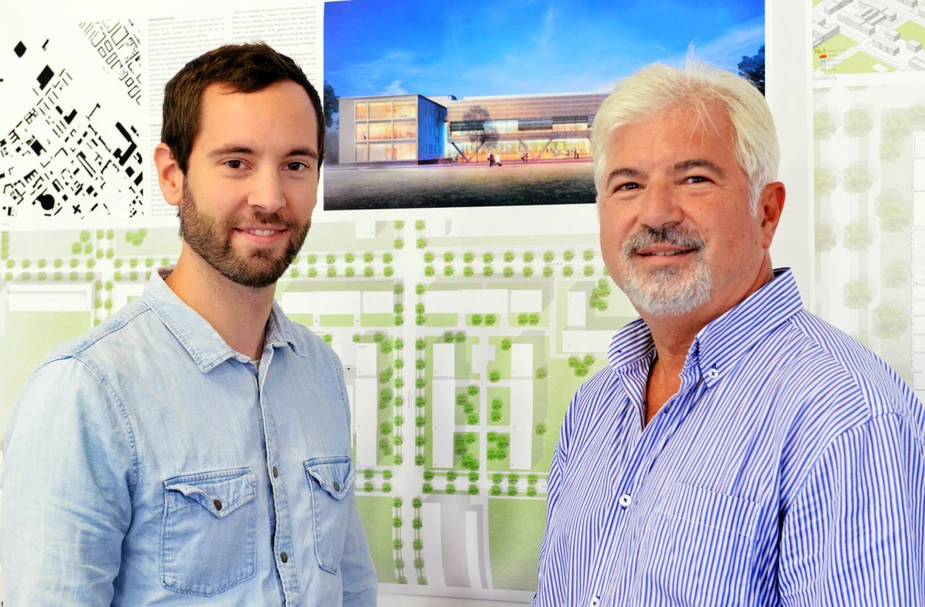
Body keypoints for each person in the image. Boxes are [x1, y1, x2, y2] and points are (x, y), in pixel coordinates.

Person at [533, 59, 924, 606]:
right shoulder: (596, 407)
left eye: (695, 178)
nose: (656, 213)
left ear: (766, 212)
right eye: (628, 184)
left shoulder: (848, 417)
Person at [1, 43, 378, 606]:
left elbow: (351, 587)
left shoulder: (319, 369)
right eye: (236, 163)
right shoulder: (84, 391)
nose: (271, 198)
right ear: (172, 176)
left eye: (295, 165)